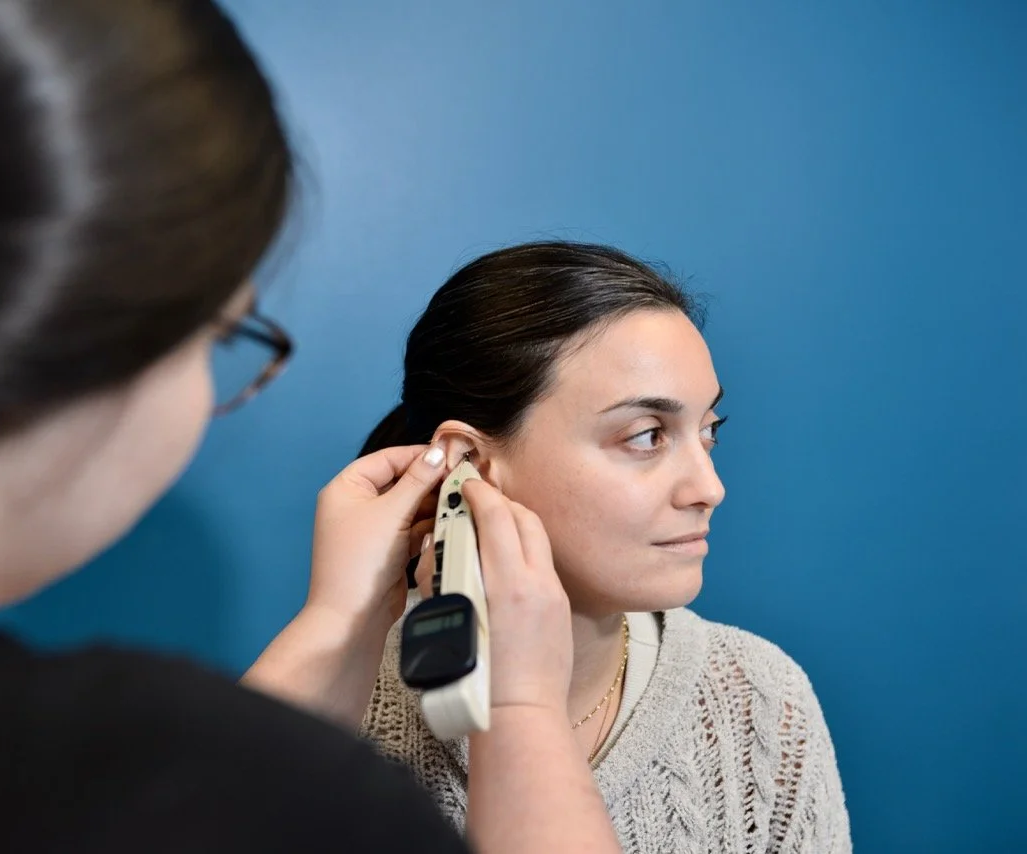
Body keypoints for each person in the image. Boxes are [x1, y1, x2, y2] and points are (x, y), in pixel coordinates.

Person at [0, 3, 620, 852]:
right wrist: (521, 709)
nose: (709, 488)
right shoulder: (175, 779)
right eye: (224, 336)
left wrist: (336, 622)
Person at [357, 241, 853, 853]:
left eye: (708, 434)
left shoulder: (758, 701)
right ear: (471, 465)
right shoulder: (340, 712)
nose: (710, 488)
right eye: (646, 436)